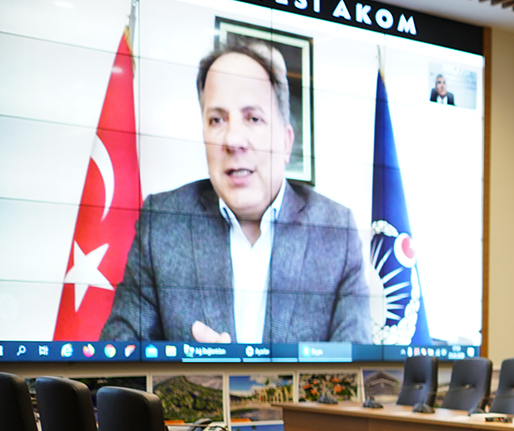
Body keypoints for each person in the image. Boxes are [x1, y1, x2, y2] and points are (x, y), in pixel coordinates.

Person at [102, 40, 373, 344]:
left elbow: (354, 376)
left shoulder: (335, 231)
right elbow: (115, 364)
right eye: (217, 120)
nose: (233, 140)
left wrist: (246, 385)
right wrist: (190, 380)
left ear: (286, 142)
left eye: (253, 118)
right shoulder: (163, 222)